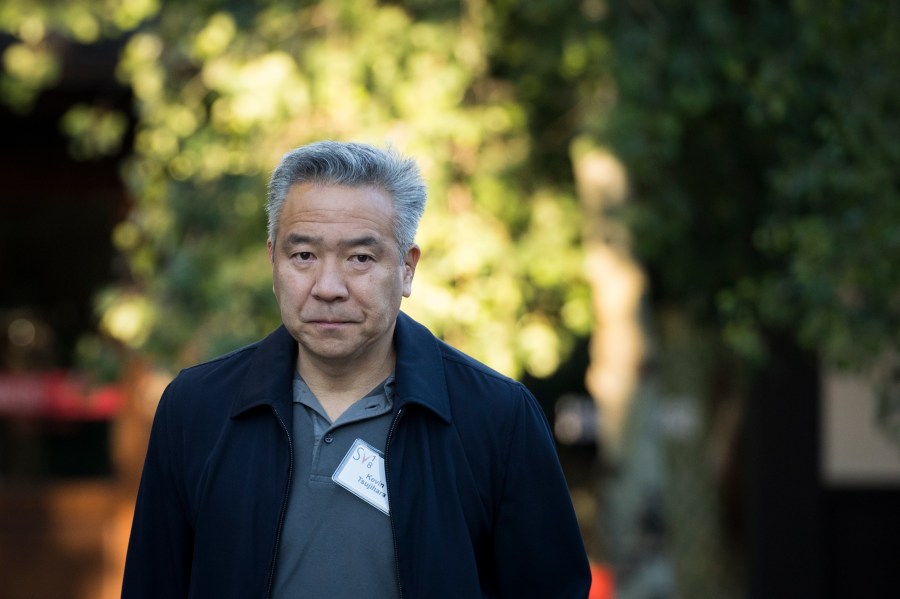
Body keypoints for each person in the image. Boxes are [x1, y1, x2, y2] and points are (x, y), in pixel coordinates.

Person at [122, 141, 591, 598]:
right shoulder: (197, 408)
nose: (328, 287)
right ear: (273, 262)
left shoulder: (495, 417)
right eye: (303, 255)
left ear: (407, 269)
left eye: (361, 258)